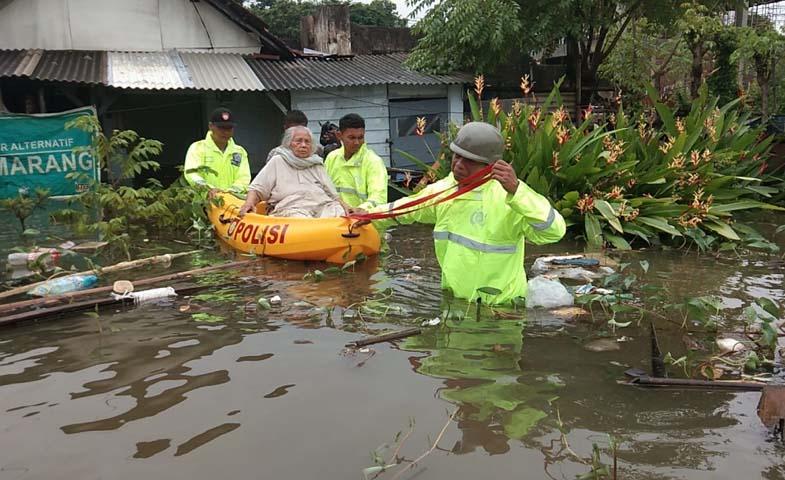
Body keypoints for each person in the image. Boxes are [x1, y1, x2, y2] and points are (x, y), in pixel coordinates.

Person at [355, 122, 566, 305]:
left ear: (491, 166)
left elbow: (554, 232)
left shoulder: (509, 198)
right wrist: (367, 216)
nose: (459, 165)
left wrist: (518, 191)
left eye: (470, 160)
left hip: (500, 310)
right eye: (457, 156)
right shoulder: (445, 190)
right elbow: (407, 208)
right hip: (454, 302)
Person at [238, 126, 348, 218]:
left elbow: (332, 194)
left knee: (339, 212)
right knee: (300, 220)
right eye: (299, 141)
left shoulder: (316, 164)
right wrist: (249, 203)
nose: (303, 145)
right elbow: (257, 189)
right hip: (291, 208)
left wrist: (346, 207)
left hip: (322, 206)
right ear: (289, 143)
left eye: (307, 142)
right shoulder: (278, 160)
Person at [324, 113, 387, 210]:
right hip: (333, 217)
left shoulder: (374, 162)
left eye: (360, 137)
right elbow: (323, 190)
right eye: (352, 138)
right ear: (339, 135)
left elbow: (379, 198)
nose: (357, 142)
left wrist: (360, 210)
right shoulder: (332, 158)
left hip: (361, 218)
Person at [184, 107, 250, 197]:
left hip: (232, 201)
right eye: (221, 128)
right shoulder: (197, 148)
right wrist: (208, 189)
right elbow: (191, 174)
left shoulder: (239, 152)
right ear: (211, 126)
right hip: (205, 201)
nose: (225, 132)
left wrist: (229, 192)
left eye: (229, 128)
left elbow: (244, 178)